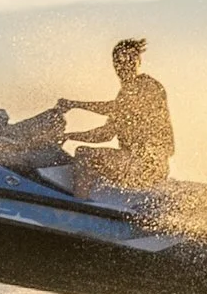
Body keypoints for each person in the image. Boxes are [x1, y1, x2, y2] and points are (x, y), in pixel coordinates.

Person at [57, 38, 176, 195]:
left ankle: (78, 208)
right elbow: (105, 134)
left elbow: (118, 108)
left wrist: (75, 104)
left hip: (149, 165)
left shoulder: (148, 86)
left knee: (85, 156)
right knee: (77, 157)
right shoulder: (124, 95)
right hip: (131, 162)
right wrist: (68, 136)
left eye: (131, 58)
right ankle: (90, 203)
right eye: (120, 60)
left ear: (138, 62)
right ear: (114, 64)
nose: (125, 64)